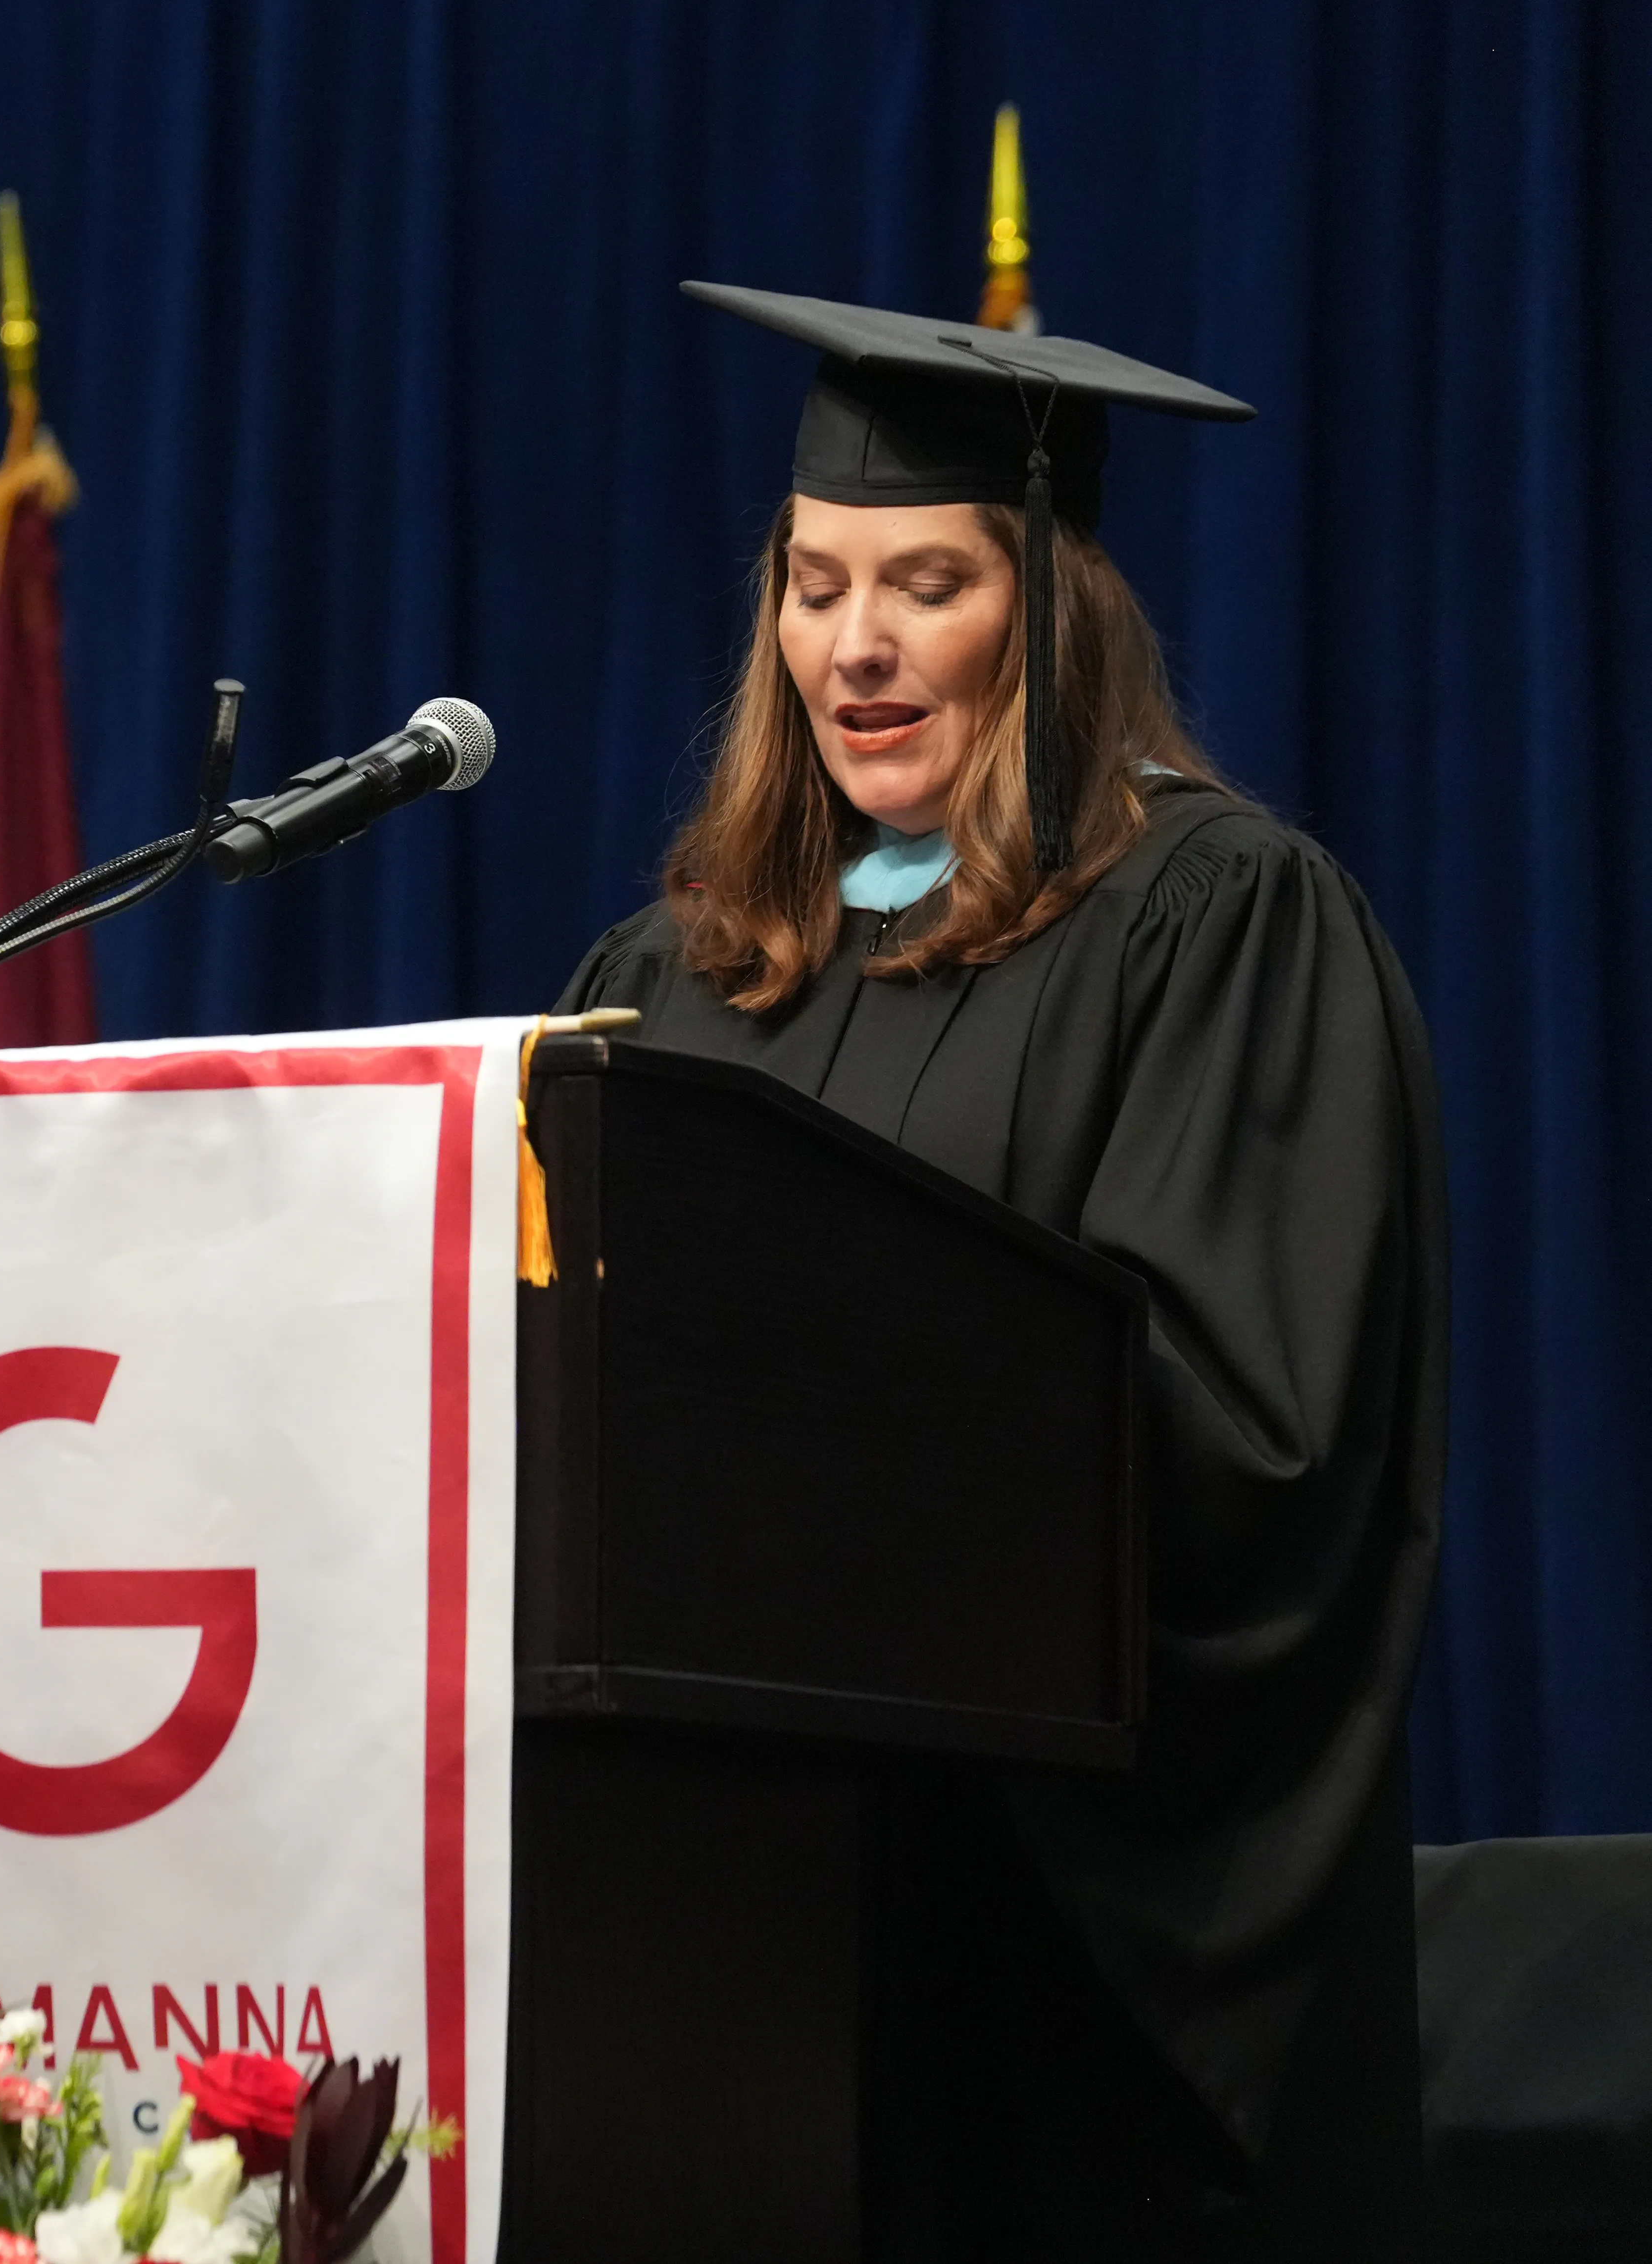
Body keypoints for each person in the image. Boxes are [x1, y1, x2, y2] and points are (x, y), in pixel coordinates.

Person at [558, 285, 1444, 2261]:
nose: (850, 644)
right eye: (808, 586)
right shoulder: (675, 974)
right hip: (710, 1963)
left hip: (1045, 1994)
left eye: (923, 583)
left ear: (1046, 613)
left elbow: (1247, 1444)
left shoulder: (1213, 924)